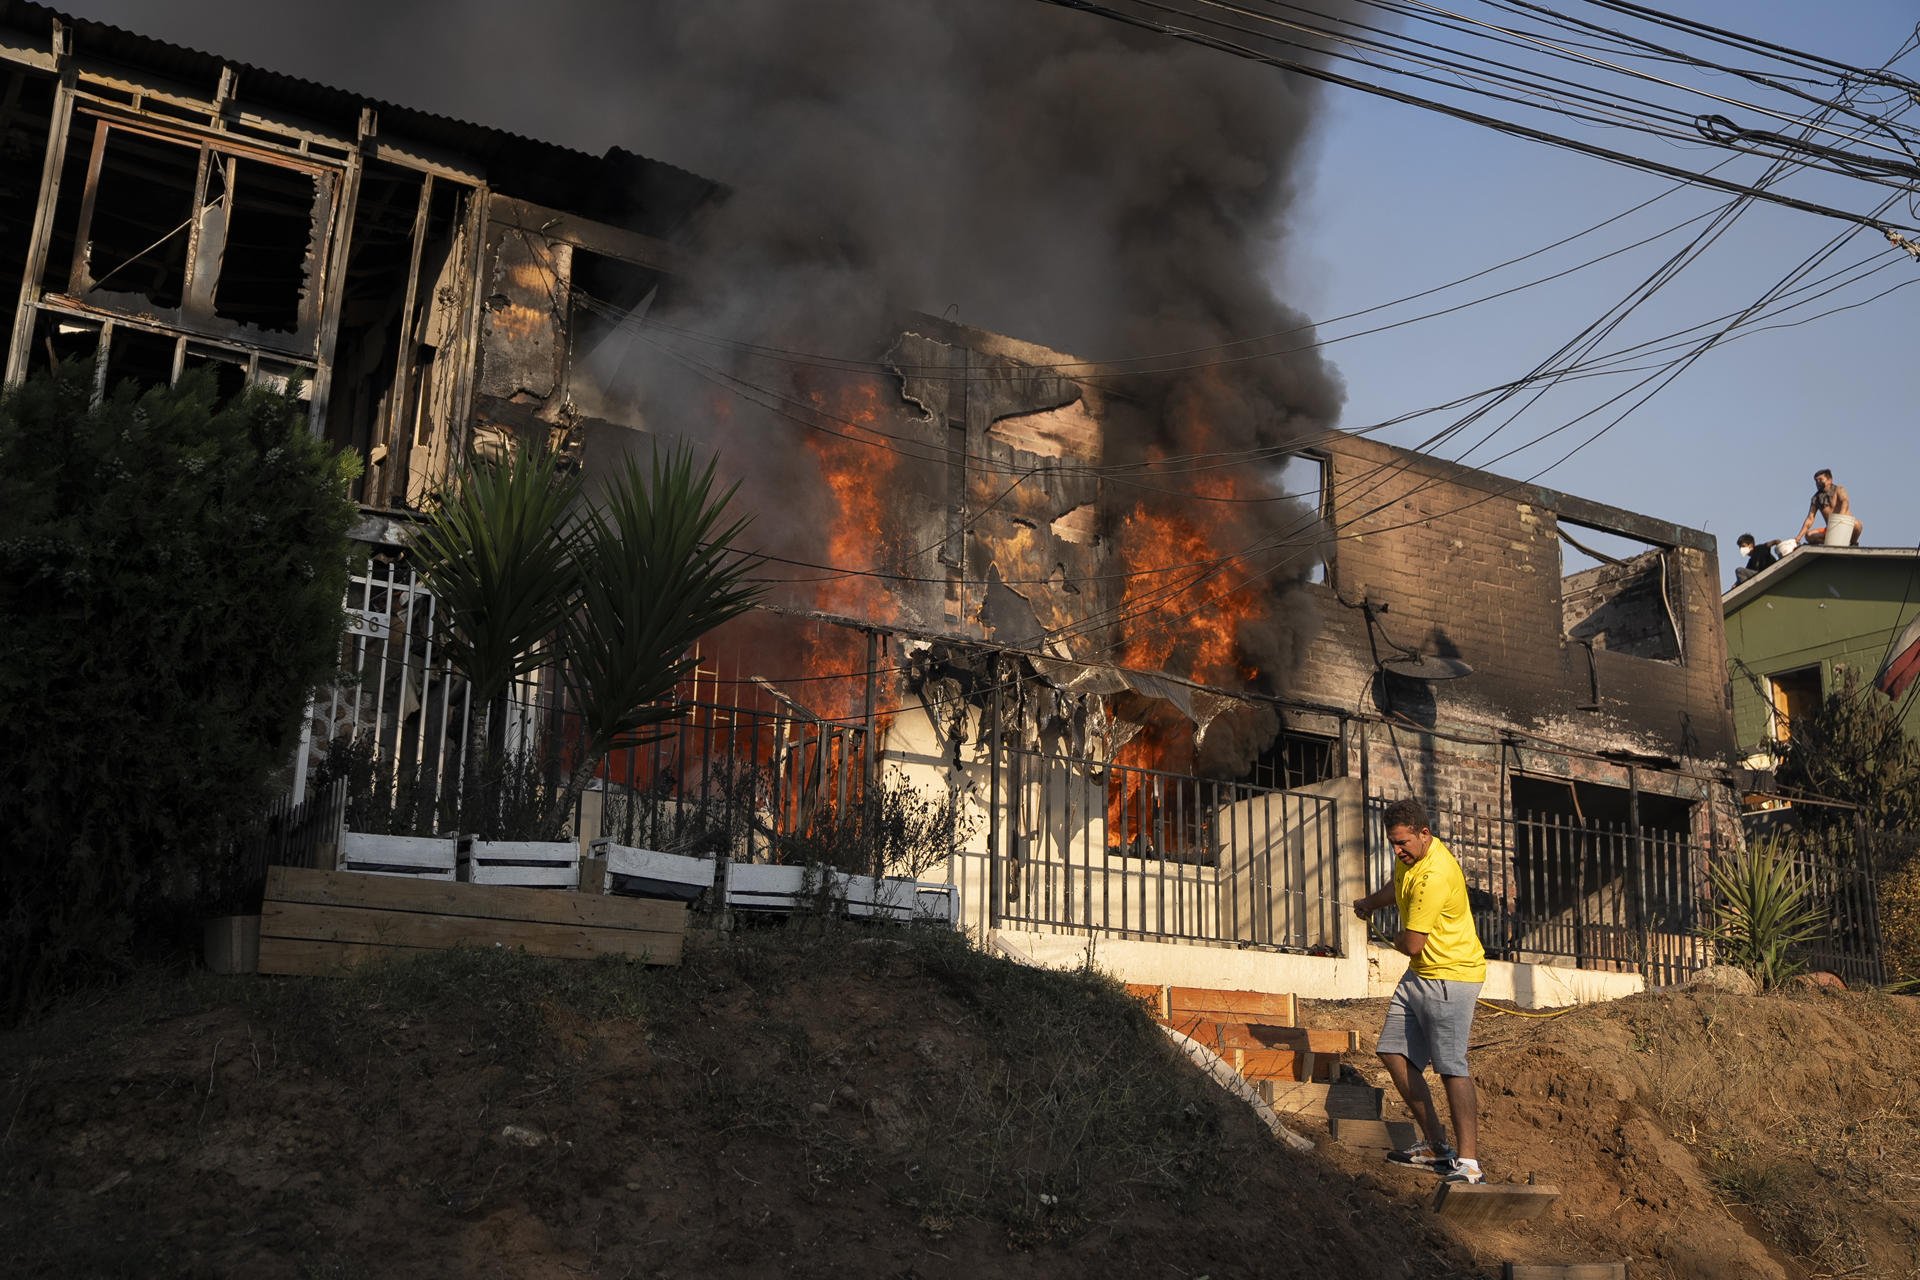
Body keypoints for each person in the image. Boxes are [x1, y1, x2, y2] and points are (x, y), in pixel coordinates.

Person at [1352, 799, 1488, 1184]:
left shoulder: (1434, 876)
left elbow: (1412, 943)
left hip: (1451, 977)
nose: (1397, 851)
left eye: (1403, 843)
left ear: (1424, 834)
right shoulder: (1410, 859)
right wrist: (1369, 904)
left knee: (1450, 1067)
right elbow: (1397, 888)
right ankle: (1436, 1145)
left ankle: (1469, 1164)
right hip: (1421, 975)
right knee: (1391, 1050)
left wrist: (1391, 936)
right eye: (1393, 844)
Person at [1798, 469, 1863, 546]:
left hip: (1846, 526)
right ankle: (1830, 543)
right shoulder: (1816, 499)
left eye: (1820, 479)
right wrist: (1798, 538)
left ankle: (1852, 544)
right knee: (1809, 535)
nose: (1818, 482)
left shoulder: (1839, 489)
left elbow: (1845, 502)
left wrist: (1840, 519)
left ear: (1829, 480)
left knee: (1858, 525)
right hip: (1831, 531)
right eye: (1816, 481)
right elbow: (1810, 519)